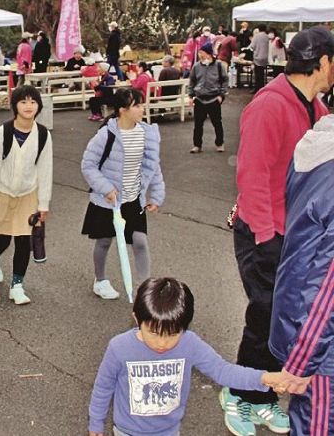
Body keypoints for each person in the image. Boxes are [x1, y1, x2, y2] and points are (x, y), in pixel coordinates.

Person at [221, 26, 334, 436]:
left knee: (286, 321)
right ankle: (240, 395)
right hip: (262, 231)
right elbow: (251, 177)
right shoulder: (270, 104)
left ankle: (264, 395)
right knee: (265, 316)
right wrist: (267, 239)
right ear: (322, 62)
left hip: (294, 234)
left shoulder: (315, 108)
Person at [89, 278, 284, 436]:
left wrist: (263, 378)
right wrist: (96, 423)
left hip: (169, 431)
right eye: (154, 333)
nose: (162, 343)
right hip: (127, 432)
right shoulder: (119, 347)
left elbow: (223, 371)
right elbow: (103, 387)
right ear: (137, 319)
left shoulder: (189, 343)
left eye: (173, 334)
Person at [270, 114, 334, 435]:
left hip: (304, 327)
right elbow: (327, 286)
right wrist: (302, 361)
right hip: (321, 348)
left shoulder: (316, 146)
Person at [81, 88, 164, 299]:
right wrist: (106, 188)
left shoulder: (148, 133)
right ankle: (100, 280)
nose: (142, 109)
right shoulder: (106, 135)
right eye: (137, 105)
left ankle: (144, 290)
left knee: (140, 241)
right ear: (122, 110)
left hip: (133, 200)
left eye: (142, 104)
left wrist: (155, 196)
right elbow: (88, 165)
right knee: (104, 241)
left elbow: (153, 167)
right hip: (107, 201)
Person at [0, 85, 53, 305]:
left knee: (24, 242)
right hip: (3, 193)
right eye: (23, 101)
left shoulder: (43, 135)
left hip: (28, 195)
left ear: (38, 106)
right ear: (15, 106)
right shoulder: (3, 133)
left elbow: (45, 170)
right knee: (3, 239)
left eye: (33, 102)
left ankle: (17, 285)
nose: (28, 106)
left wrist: (43, 203)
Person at [189, 42, 228, 154]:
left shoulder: (219, 65)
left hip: (214, 98)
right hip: (200, 98)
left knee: (217, 123)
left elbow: (225, 80)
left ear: (209, 54)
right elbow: (192, 81)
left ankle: (219, 143)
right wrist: (191, 96)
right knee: (198, 124)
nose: (200, 55)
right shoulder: (196, 66)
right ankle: (197, 145)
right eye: (200, 52)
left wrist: (221, 95)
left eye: (202, 53)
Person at [252, 25, 270, 92]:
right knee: (262, 73)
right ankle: (262, 87)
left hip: (257, 57)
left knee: (257, 74)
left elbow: (252, 46)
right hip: (265, 57)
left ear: (259, 29)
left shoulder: (256, 36)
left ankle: (257, 88)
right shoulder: (267, 36)